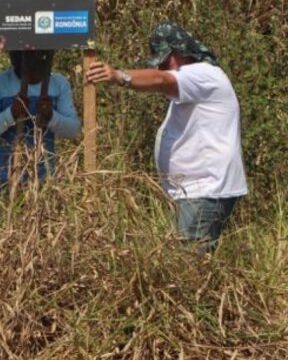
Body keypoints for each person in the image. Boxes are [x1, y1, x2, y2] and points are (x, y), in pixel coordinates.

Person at [86, 22, 247, 251]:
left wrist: (119, 76)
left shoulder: (201, 74)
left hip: (205, 188)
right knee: (190, 261)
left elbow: (161, 81)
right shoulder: (196, 81)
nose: (161, 67)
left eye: (164, 60)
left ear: (180, 53)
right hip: (197, 190)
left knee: (190, 264)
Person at [0, 50, 81, 187]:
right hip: (2, 175)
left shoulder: (58, 84)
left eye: (28, 52)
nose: (19, 56)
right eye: (15, 51)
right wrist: (10, 114)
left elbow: (73, 130)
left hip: (43, 175)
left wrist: (51, 116)